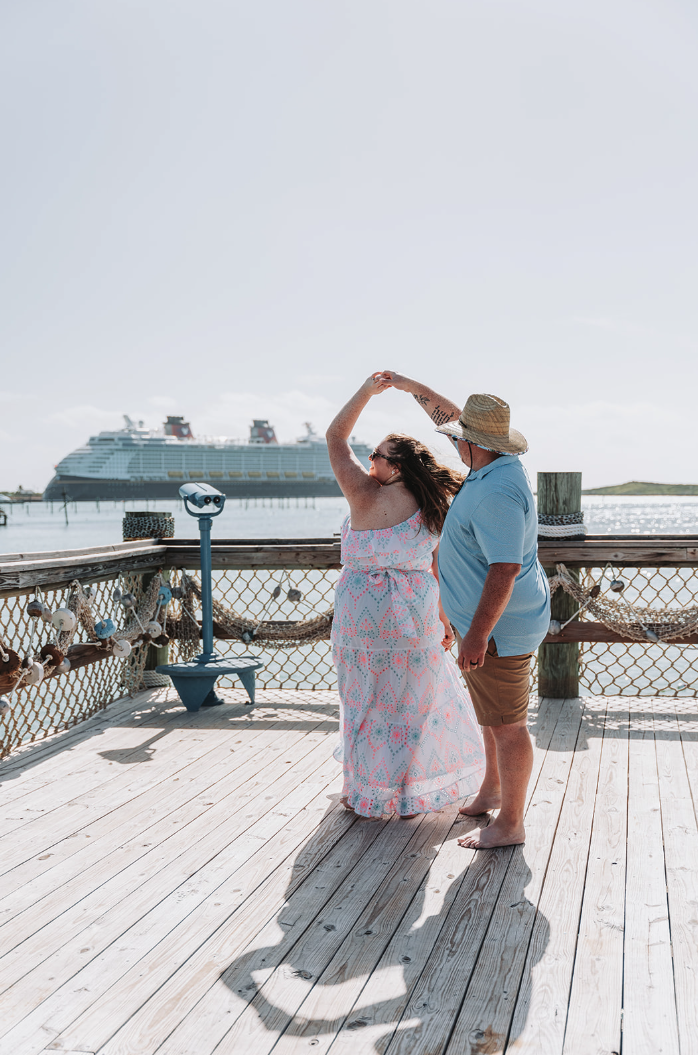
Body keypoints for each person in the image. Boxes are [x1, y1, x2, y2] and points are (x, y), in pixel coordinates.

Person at [380, 371, 550, 848]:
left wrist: (476, 634)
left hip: (499, 628)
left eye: (460, 439)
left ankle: (511, 823)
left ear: (477, 442)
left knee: (509, 725)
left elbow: (504, 570)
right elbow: (450, 415)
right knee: (493, 717)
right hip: (489, 624)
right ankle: (492, 790)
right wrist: (406, 384)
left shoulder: (496, 490)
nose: (454, 443)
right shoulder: (491, 466)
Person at [325, 374, 485, 819]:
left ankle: (363, 793)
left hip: (361, 616)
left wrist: (365, 392)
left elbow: (335, 436)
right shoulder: (434, 502)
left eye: (375, 454)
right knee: (412, 706)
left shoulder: (361, 493)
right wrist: (446, 619)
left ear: (393, 466)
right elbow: (437, 568)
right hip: (415, 613)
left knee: (361, 703)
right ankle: (411, 797)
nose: (369, 459)